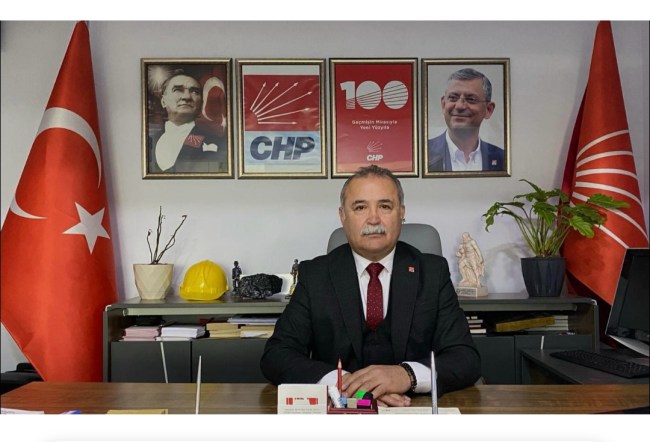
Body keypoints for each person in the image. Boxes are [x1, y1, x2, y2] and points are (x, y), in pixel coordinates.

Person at [261, 165, 481, 407]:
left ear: (401, 213)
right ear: (343, 216)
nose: (374, 219)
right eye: (360, 207)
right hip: (341, 409)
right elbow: (277, 355)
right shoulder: (316, 275)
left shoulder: (432, 273)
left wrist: (406, 375)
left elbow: (465, 358)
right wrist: (346, 383)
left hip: (412, 408)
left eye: (385, 206)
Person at [148, 71, 227, 174]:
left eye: (194, 92)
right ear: (163, 101)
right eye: (177, 90)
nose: (187, 97)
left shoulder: (219, 144)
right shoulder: (148, 142)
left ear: (201, 104)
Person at [427, 68, 504, 172]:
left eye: (471, 99)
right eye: (453, 97)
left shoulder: (503, 159)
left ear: (488, 109)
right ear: (444, 104)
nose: (460, 106)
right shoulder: (422, 153)